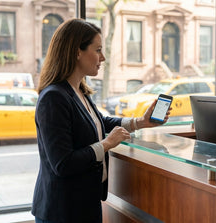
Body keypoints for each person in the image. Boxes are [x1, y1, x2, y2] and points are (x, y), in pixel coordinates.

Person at [32, 18, 171, 223]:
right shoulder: (53, 97)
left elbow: (98, 122)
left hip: (85, 204)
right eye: (97, 50)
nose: (103, 57)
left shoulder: (78, 90)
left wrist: (139, 122)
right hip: (63, 212)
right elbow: (62, 163)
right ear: (77, 51)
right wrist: (107, 144)